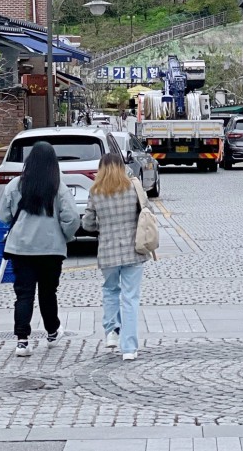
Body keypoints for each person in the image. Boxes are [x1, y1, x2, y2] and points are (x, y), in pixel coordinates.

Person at [0, 141, 80, 357]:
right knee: (48, 292)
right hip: (51, 249)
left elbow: (3, 214)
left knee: (24, 294)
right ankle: (52, 332)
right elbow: (72, 218)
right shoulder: (58, 187)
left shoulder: (15, 185)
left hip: (21, 248)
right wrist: (65, 235)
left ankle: (22, 341)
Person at [82, 152, 151, 362]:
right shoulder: (133, 187)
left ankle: (112, 331)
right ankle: (129, 348)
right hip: (134, 250)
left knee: (110, 290)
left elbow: (87, 224)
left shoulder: (95, 191)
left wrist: (101, 225)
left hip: (108, 252)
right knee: (130, 298)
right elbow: (146, 212)